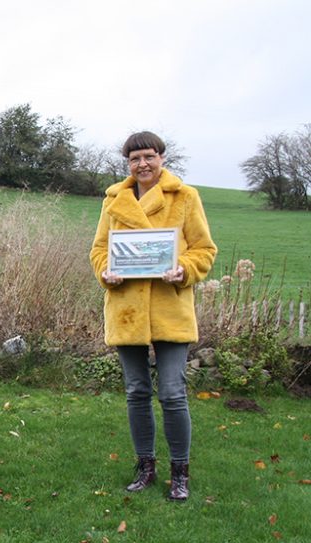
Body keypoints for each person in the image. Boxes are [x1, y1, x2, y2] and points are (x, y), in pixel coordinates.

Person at [90, 132, 217, 501]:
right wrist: (105, 272)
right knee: (136, 392)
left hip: (169, 308)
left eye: (148, 156)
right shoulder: (114, 200)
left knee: (174, 393)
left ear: (162, 157)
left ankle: (181, 472)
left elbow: (204, 249)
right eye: (134, 159)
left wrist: (184, 269)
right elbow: (100, 249)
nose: (142, 164)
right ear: (127, 163)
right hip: (126, 307)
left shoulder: (185, 197)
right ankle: (145, 467)